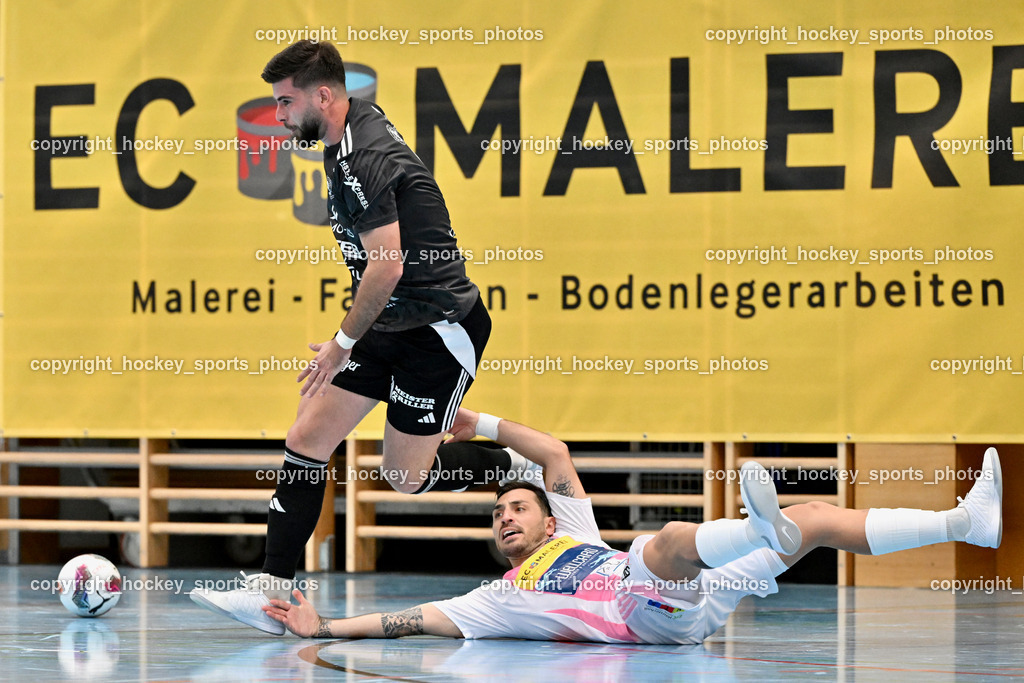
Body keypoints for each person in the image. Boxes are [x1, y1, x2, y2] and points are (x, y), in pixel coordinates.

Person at [190, 41, 538, 635]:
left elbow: (387, 266)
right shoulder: (345, 131)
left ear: (324, 96)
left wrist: (341, 342)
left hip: (437, 329)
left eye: (285, 103)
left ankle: (511, 459)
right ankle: (274, 593)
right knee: (307, 435)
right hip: (387, 322)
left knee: (404, 477)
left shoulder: (364, 157)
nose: (277, 116)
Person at [261, 407, 1003, 644]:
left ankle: (966, 521)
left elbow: (552, 452)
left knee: (812, 518)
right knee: (661, 541)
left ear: (549, 517)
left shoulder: (575, 531)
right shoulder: (496, 598)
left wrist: (474, 422)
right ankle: (757, 531)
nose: (506, 516)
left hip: (690, 594)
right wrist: (323, 626)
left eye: (517, 507)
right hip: (642, 613)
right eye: (498, 512)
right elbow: (411, 618)